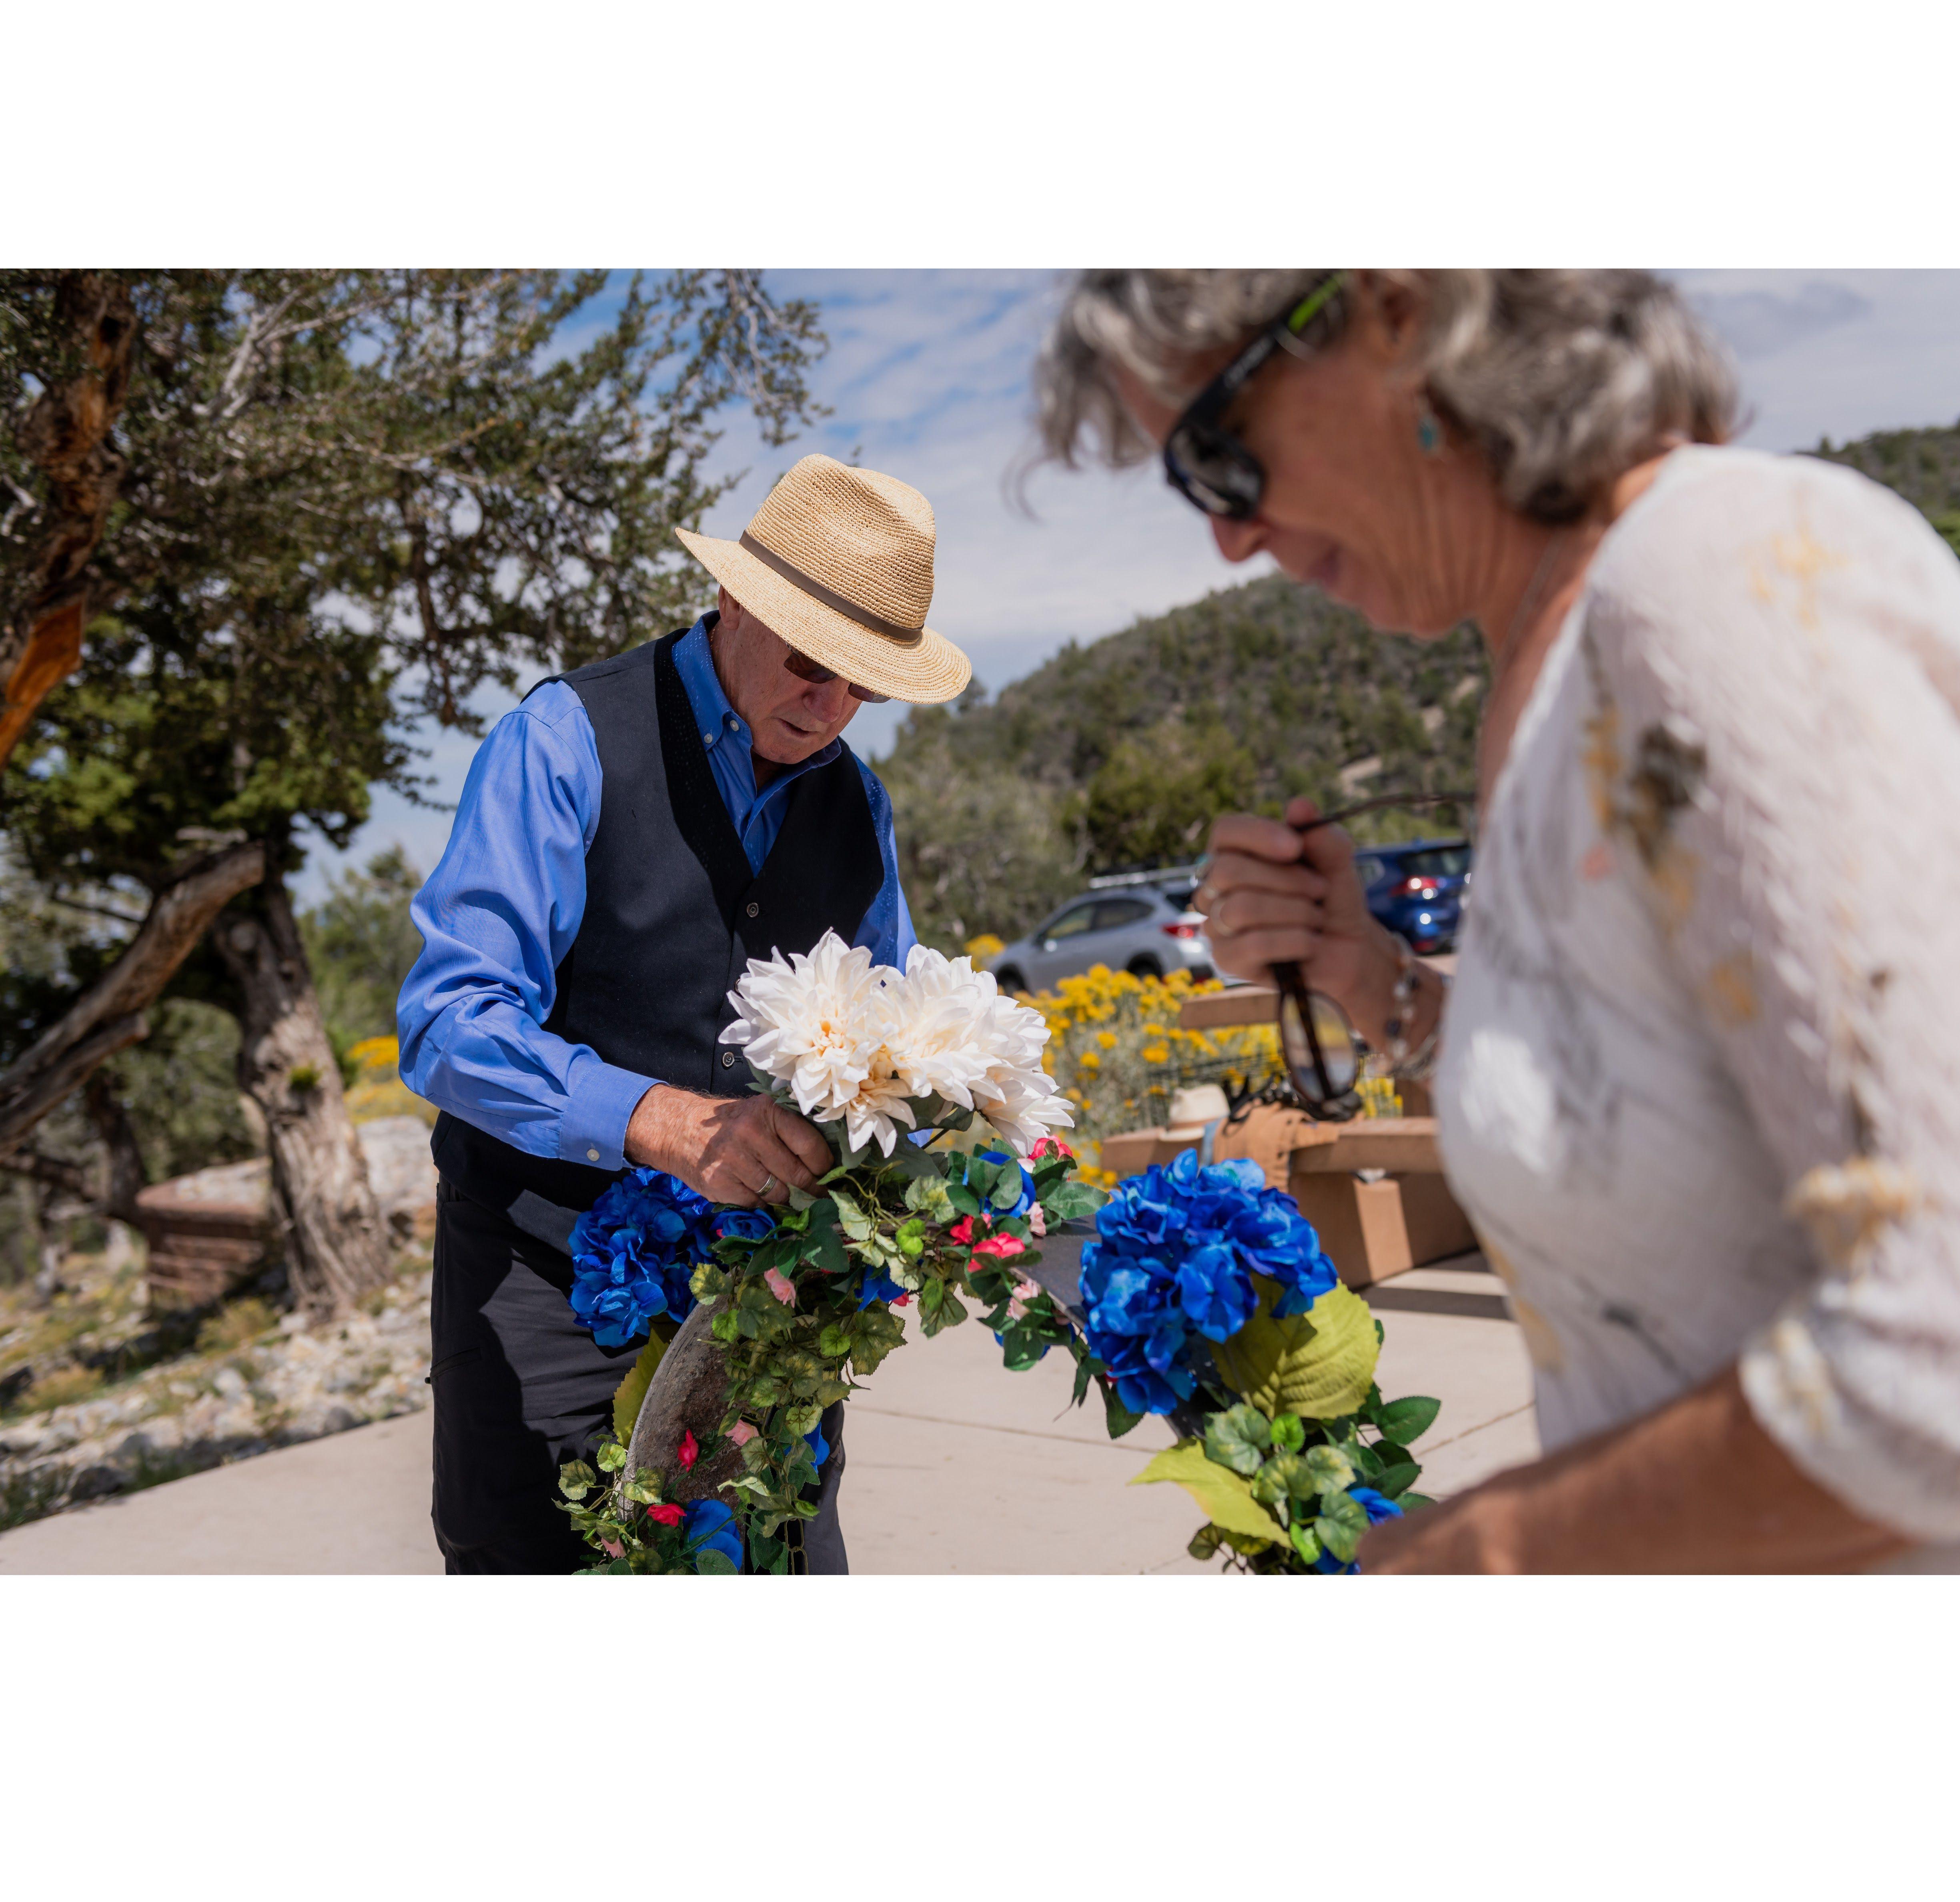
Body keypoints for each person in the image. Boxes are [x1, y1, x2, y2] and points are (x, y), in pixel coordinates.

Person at [1034, 269, 1960, 1572]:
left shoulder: (1712, 585)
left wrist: (1480, 1553)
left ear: (1396, 310)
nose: (1227, 537)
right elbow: (1657, 1083)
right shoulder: (1548, 667)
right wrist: (1379, 985)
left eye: (1212, 452)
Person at [397, 454, 971, 1574]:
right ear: (737, 600)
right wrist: (655, 1118)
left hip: (760, 1291)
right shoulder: (563, 739)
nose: (835, 707)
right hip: (542, 1267)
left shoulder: (857, 800)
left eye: (868, 687)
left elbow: (886, 1037)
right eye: (816, 666)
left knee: (778, 1561)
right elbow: (449, 1017)